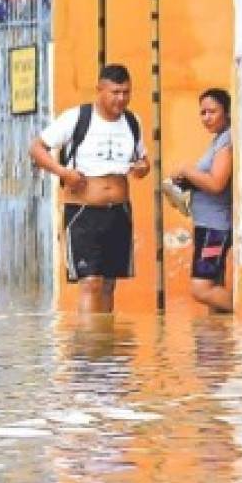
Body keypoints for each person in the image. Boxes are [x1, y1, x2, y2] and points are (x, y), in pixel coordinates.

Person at [29, 63, 151, 313]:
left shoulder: (132, 121)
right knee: (91, 282)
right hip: (84, 212)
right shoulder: (77, 117)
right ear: (100, 90)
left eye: (126, 92)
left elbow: (144, 161)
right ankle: (87, 348)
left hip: (119, 212)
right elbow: (37, 148)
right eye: (115, 92)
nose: (121, 98)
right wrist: (64, 173)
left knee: (108, 284)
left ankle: (104, 347)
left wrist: (142, 168)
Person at [170, 88, 233, 313]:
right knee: (214, 290)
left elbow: (217, 183)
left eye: (212, 112)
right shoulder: (218, 140)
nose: (206, 118)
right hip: (206, 225)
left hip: (215, 228)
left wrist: (187, 170)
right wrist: (185, 182)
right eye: (203, 113)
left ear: (227, 112)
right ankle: (222, 344)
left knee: (201, 289)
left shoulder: (227, 140)